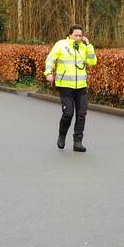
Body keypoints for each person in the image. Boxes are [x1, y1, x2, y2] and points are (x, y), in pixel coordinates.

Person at [44, 25, 97, 153]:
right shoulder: (61, 45)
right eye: (76, 35)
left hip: (81, 86)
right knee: (68, 114)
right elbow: (50, 59)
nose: (78, 37)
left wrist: (89, 45)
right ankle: (62, 135)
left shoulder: (84, 47)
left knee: (81, 114)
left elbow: (92, 61)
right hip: (65, 85)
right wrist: (48, 73)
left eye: (80, 35)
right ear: (70, 35)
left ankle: (77, 142)